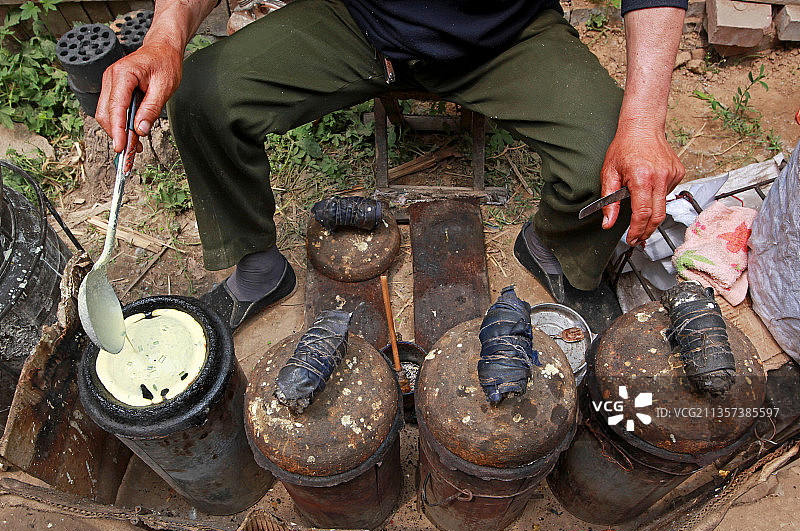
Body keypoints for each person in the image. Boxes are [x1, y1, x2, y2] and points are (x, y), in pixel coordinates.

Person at [95, 0, 686, 333]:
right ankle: (255, 270)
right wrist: (165, 38)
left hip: (507, 35)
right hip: (358, 23)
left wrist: (642, 123)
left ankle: (556, 248)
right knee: (202, 96)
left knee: (612, 164)